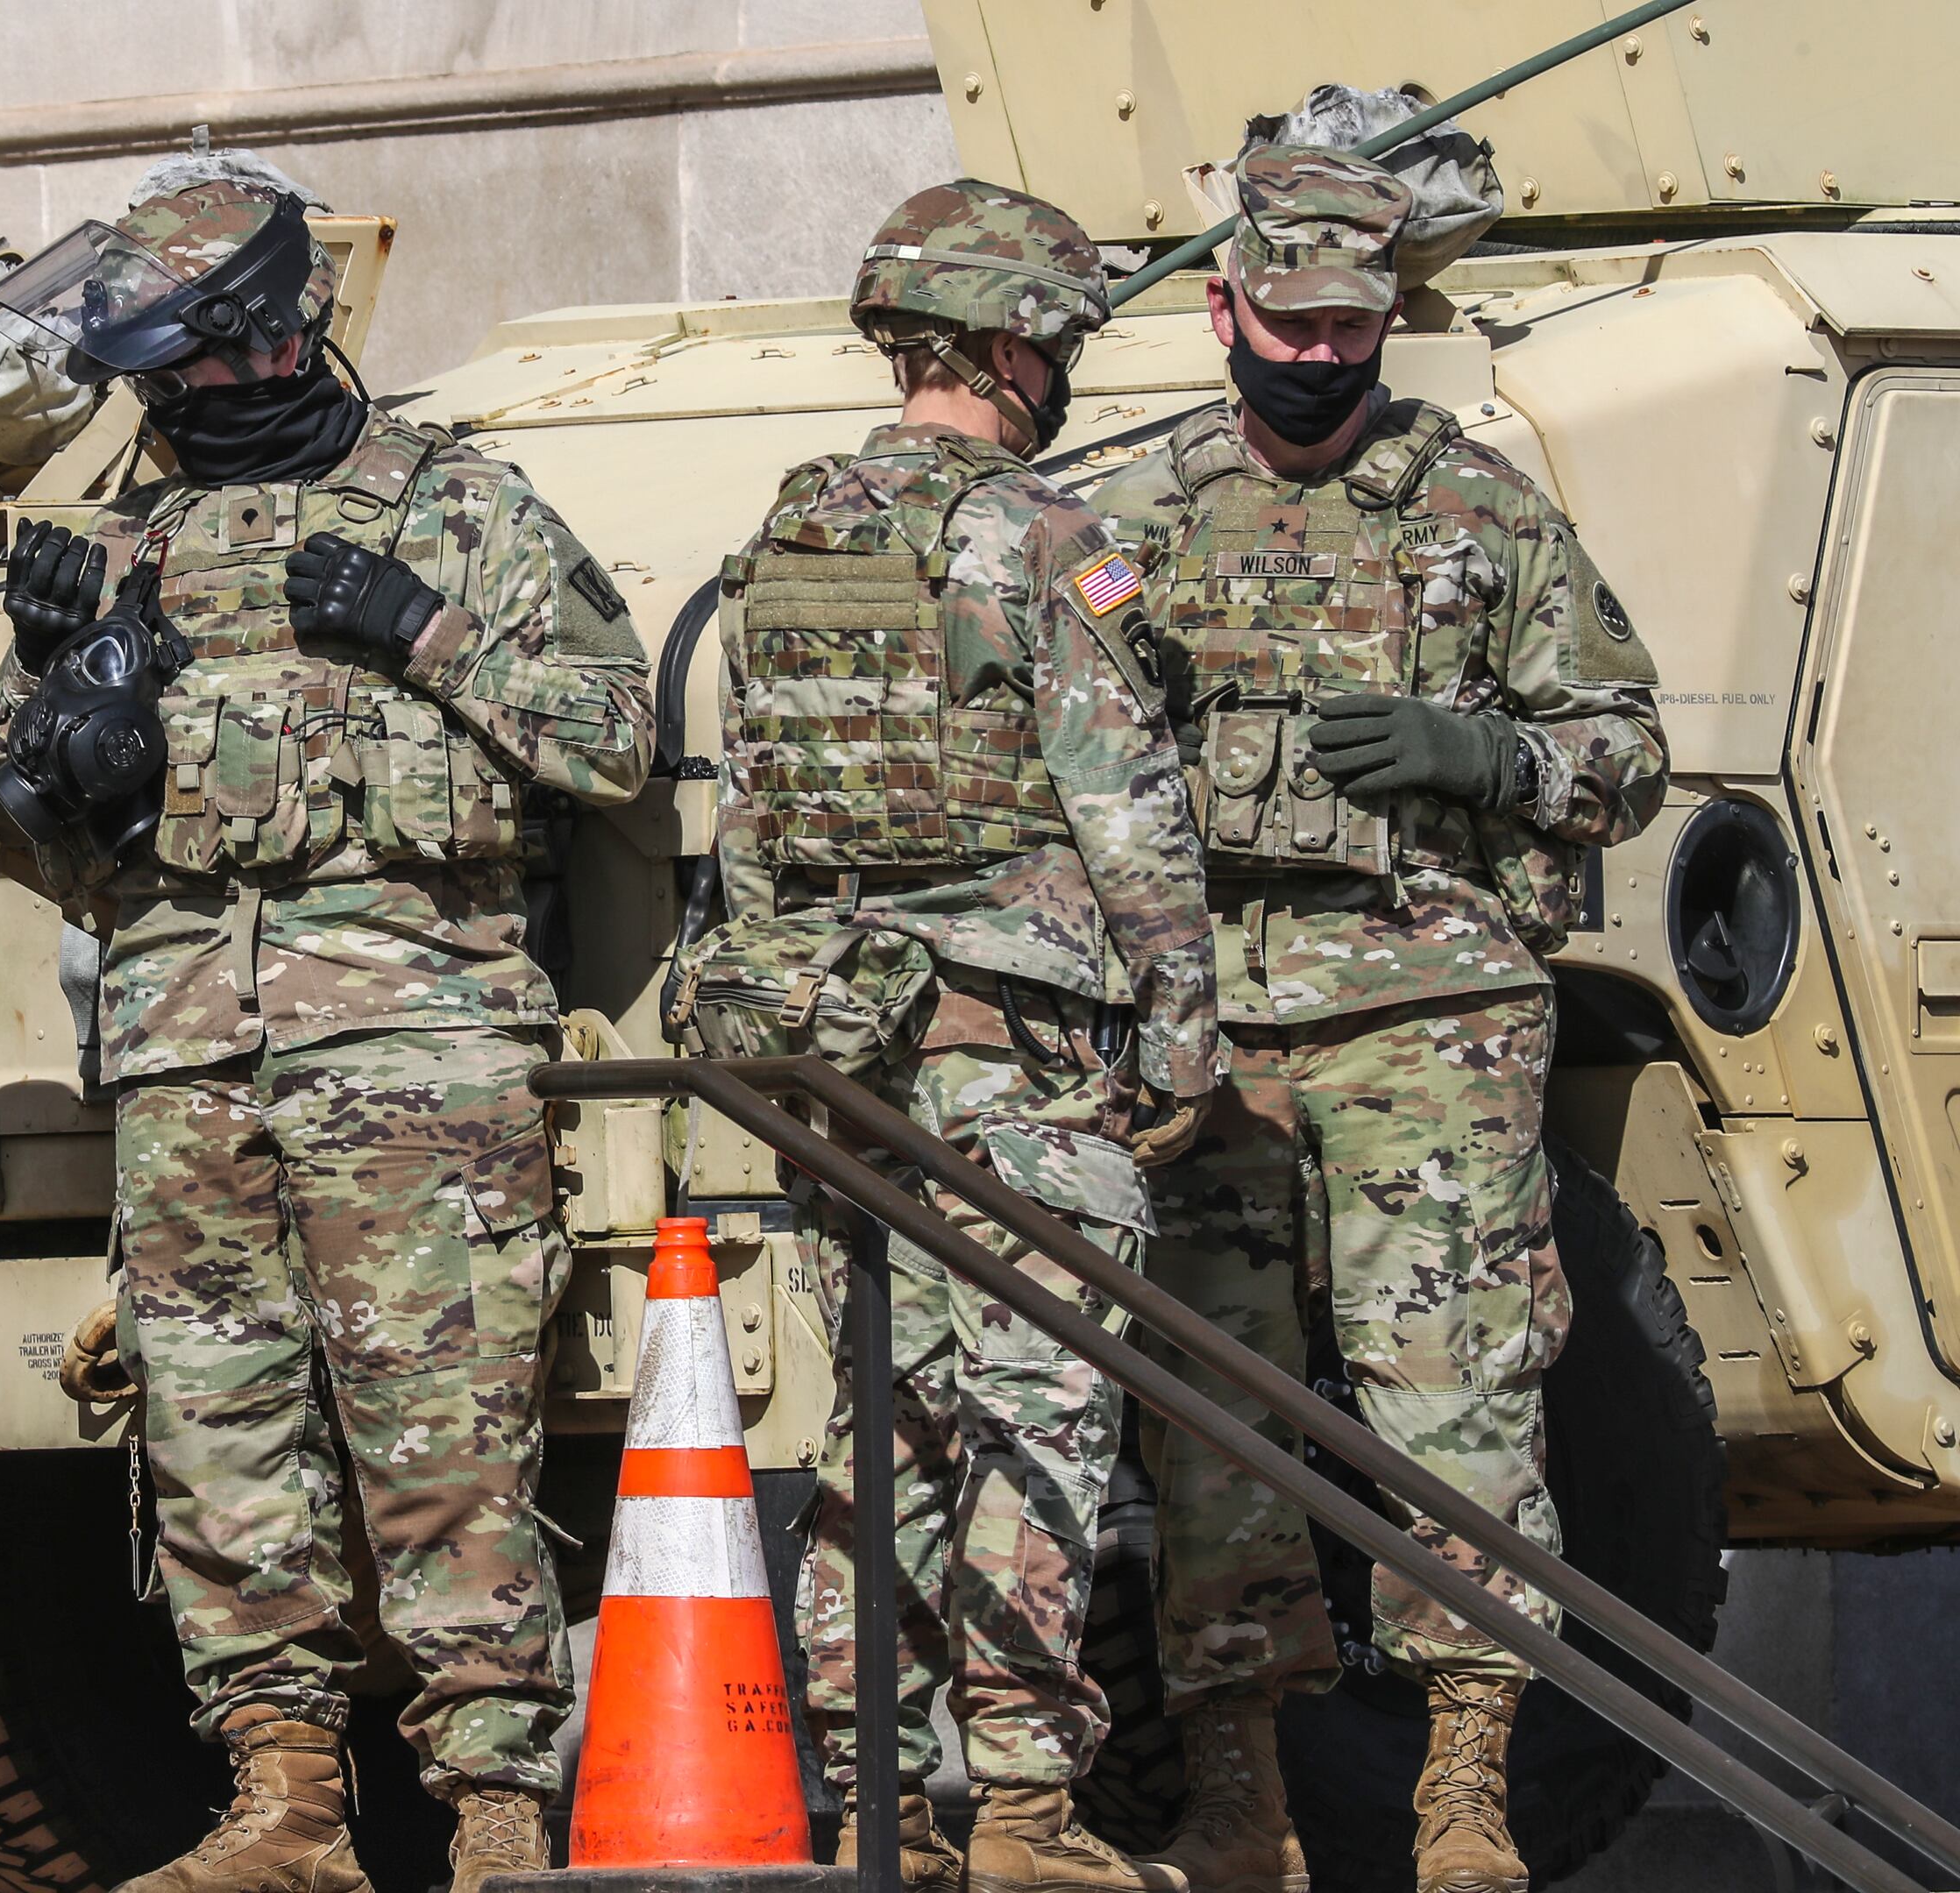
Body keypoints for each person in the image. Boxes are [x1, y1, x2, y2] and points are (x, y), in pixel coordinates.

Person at [0, 168, 653, 1893]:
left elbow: (612, 739)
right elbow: (39, 848)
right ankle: (283, 1806)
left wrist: (423, 633)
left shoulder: (456, 507)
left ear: (282, 331)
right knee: (214, 1438)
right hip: (188, 1058)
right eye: (153, 377)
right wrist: (48, 713)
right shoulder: (123, 545)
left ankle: (497, 1815)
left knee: (445, 1438)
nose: (175, 401)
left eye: (193, 362)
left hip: (413, 1056)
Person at [1091, 145, 1669, 1893]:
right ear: (1224, 308)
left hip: (1428, 1014)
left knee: (1460, 1395)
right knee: (1212, 1407)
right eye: (1291, 323)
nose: (1321, 356)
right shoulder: (1124, 523)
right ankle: (1237, 1795)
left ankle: (1466, 1789)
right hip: (1205, 1026)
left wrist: (1485, 756)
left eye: (1352, 328)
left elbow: (1627, 749)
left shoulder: (1480, 510)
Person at [685, 180, 1217, 1893]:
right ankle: (1027, 1820)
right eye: (1058, 345)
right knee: (1040, 1419)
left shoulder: (785, 538)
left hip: (843, 1055)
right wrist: (1183, 1025)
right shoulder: (1052, 543)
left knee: (882, 1431)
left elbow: (752, 824)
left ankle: (878, 1811)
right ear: (1012, 347)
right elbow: (1127, 803)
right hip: (1019, 1063)